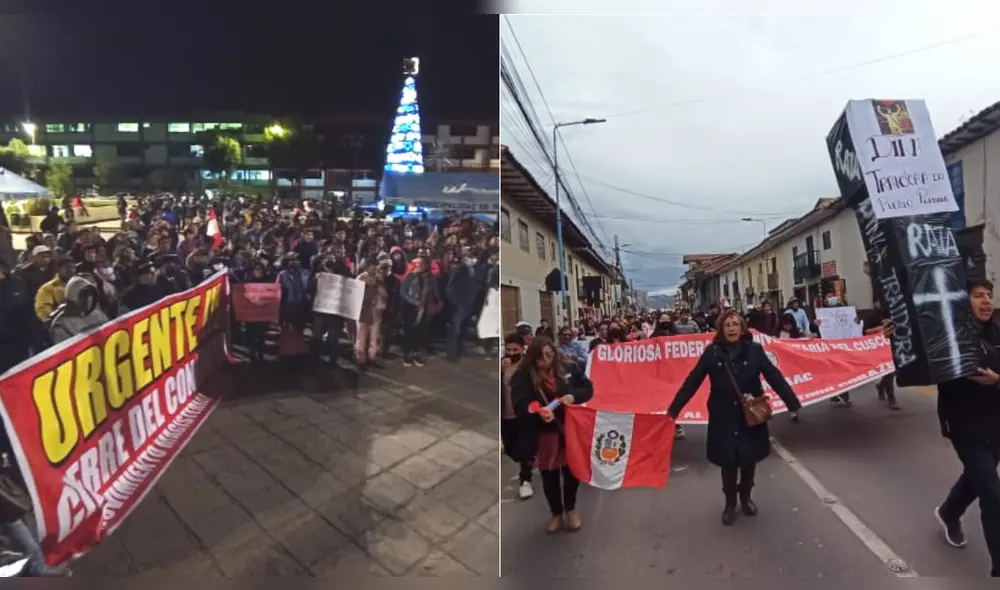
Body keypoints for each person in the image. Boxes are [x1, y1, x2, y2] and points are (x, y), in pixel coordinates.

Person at [667, 309, 802, 526]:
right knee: (728, 463)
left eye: (735, 324)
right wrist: (674, 410)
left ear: (742, 327)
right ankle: (730, 503)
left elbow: (773, 376)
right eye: (727, 325)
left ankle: (746, 497)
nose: (731, 328)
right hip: (723, 417)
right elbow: (692, 382)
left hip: (749, 417)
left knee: (748, 461)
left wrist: (792, 402)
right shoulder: (712, 353)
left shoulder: (755, 351)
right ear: (721, 329)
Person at [934, 278, 1000, 577]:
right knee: (992, 492)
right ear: (964, 301)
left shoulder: (997, 332)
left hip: (996, 422)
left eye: (989, 295)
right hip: (964, 425)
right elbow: (924, 363)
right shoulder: (948, 334)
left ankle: (949, 511)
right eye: (978, 296)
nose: (986, 301)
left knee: (976, 478)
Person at [510, 336, 593, 534]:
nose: (545, 360)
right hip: (544, 433)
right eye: (540, 357)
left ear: (554, 354)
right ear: (532, 358)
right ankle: (556, 513)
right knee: (549, 475)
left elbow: (588, 388)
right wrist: (538, 414)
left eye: (549, 355)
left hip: (569, 429)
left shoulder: (569, 368)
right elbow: (521, 404)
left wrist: (574, 396)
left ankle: (571, 509)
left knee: (571, 473)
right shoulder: (523, 376)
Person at [501, 332, 534, 500]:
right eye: (508, 350)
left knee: (524, 451)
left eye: (515, 349)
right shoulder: (501, 365)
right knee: (510, 450)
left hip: (523, 415)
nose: (512, 353)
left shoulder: (527, 368)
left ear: (522, 349)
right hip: (506, 416)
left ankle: (525, 480)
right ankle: (528, 461)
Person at [47, 276, 109, 345]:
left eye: (91, 294)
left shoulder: (97, 313)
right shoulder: (61, 326)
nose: (89, 298)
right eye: (84, 295)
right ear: (73, 298)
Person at [862, 298, 899, 410]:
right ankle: (891, 399)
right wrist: (880, 329)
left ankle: (881, 386)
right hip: (879, 348)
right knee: (888, 372)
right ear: (875, 303)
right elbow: (865, 332)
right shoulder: (870, 316)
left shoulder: (891, 313)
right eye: (879, 301)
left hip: (892, 345)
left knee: (891, 372)